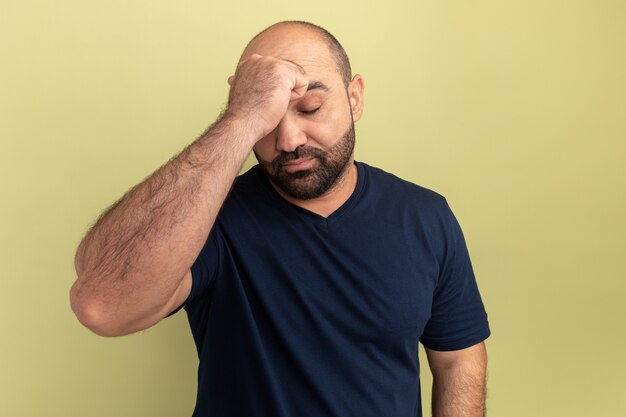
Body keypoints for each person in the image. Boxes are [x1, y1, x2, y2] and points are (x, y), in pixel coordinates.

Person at [70, 20, 490, 417]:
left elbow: (458, 359)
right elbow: (102, 305)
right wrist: (240, 118)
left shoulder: (425, 216)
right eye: (267, 120)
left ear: (355, 97)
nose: (287, 140)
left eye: (310, 108)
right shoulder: (209, 220)